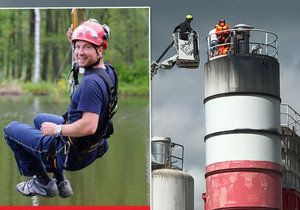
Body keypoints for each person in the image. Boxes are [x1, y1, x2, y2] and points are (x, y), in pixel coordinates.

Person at [3, 19, 118, 198]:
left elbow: (89, 126)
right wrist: (78, 40)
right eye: (77, 47)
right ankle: (61, 183)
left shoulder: (91, 84)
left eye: (86, 47)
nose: (79, 52)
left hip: (71, 153)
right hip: (94, 145)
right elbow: (86, 63)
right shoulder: (108, 72)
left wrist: (57, 129)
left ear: (100, 50)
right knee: (40, 119)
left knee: (10, 130)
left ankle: (43, 182)